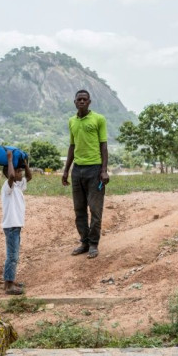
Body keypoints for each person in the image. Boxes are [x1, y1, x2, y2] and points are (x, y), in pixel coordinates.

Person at [62, 89, 109, 259]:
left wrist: (104, 170)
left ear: (89, 102)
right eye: (79, 99)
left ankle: (94, 244)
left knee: (95, 210)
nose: (81, 102)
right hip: (77, 170)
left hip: (95, 170)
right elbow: (72, 147)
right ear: (75, 102)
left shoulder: (99, 119)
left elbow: (104, 145)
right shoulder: (71, 121)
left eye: (84, 99)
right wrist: (66, 170)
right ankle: (84, 242)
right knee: (79, 210)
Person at [1, 149, 32, 295]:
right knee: (12, 256)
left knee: (14, 255)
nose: (20, 174)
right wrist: (9, 159)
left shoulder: (18, 186)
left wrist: (25, 164)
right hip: (11, 226)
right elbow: (12, 175)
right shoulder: (8, 187)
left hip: (16, 225)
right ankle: (8, 285)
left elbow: (30, 177)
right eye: (18, 171)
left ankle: (11, 280)